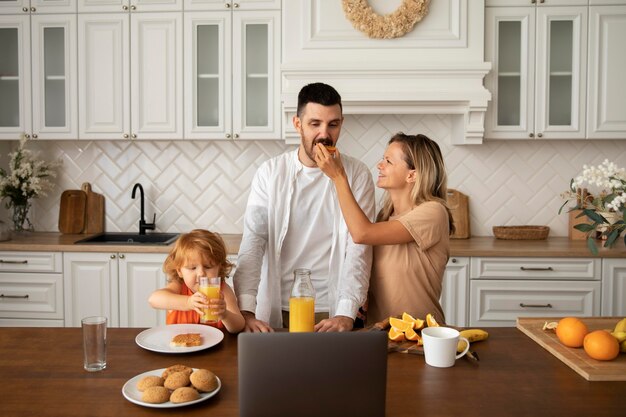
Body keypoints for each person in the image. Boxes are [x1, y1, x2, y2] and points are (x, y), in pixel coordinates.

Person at [233, 82, 375, 332]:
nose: (325, 134)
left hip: (331, 310)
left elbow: (359, 248)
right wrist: (245, 309)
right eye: (315, 124)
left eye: (333, 124)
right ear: (297, 124)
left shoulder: (357, 174)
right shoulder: (270, 173)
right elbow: (253, 242)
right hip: (275, 308)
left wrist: (346, 312)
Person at [315, 133, 454, 325]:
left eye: (388, 161)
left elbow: (361, 233)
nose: (379, 166)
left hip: (422, 334)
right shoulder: (383, 216)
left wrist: (338, 177)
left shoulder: (433, 213)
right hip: (381, 334)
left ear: (412, 174)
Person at [149, 229, 245, 333]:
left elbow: (238, 326)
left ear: (219, 268)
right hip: (180, 347)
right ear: (179, 271)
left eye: (208, 267)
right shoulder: (179, 286)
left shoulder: (222, 290)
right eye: (192, 268)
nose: (201, 273)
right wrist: (188, 302)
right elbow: (153, 299)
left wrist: (225, 314)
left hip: (215, 347)